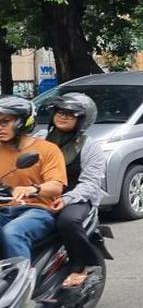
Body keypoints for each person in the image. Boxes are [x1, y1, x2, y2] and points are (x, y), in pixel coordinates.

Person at [43, 93, 105, 290]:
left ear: (82, 120)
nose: (63, 116)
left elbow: (90, 183)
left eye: (70, 114)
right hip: (40, 194)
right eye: (60, 112)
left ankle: (82, 265)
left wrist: (67, 199)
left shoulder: (90, 147)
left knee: (68, 221)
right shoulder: (40, 139)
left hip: (77, 197)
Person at [0, 96, 66, 261]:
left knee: (12, 232)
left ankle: (21, 276)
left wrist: (32, 189)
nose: (0, 127)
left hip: (38, 210)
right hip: (4, 209)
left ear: (22, 123)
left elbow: (56, 186)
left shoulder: (47, 149)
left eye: (5, 122)